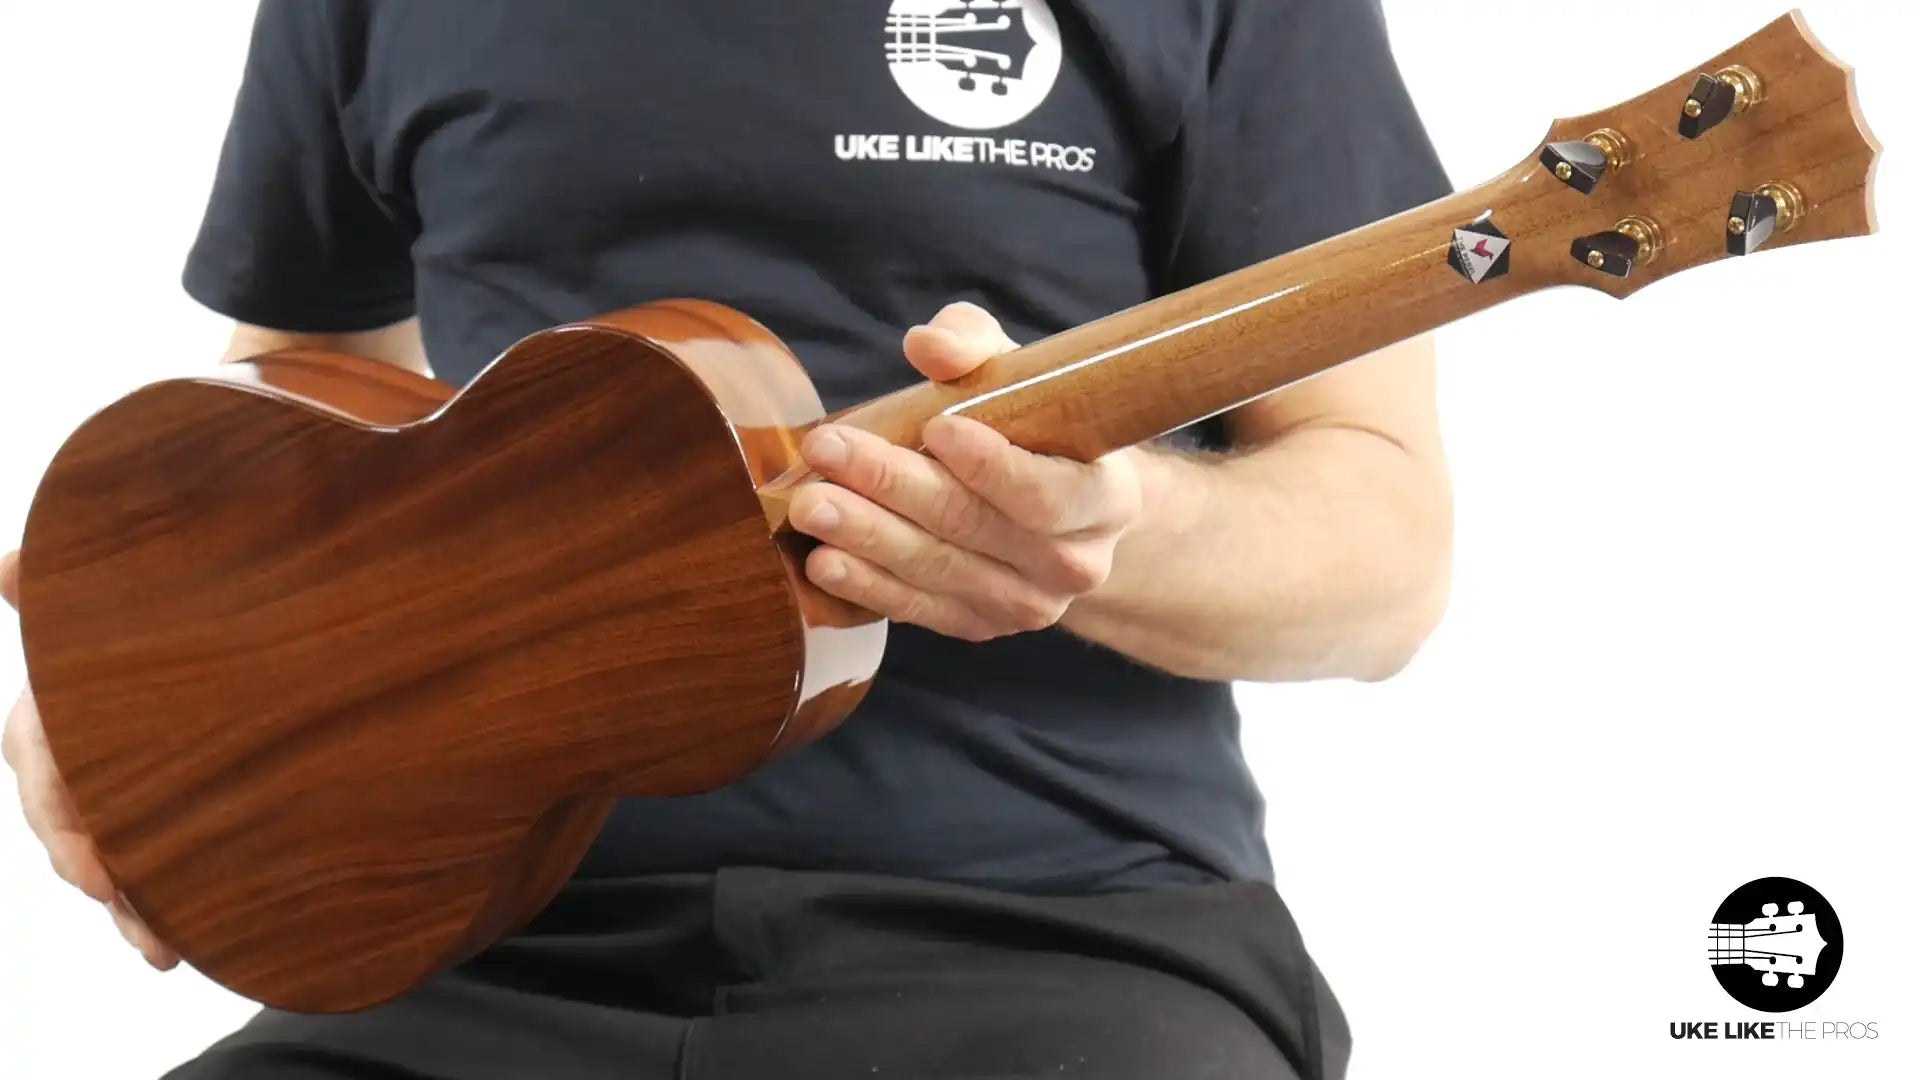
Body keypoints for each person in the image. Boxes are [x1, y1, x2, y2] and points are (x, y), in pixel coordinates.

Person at [3, 1, 1454, 1076]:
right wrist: (141, 699)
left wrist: (1110, 541)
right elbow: (276, 447)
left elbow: (1386, 551)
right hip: (479, 953)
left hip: (1067, 941)